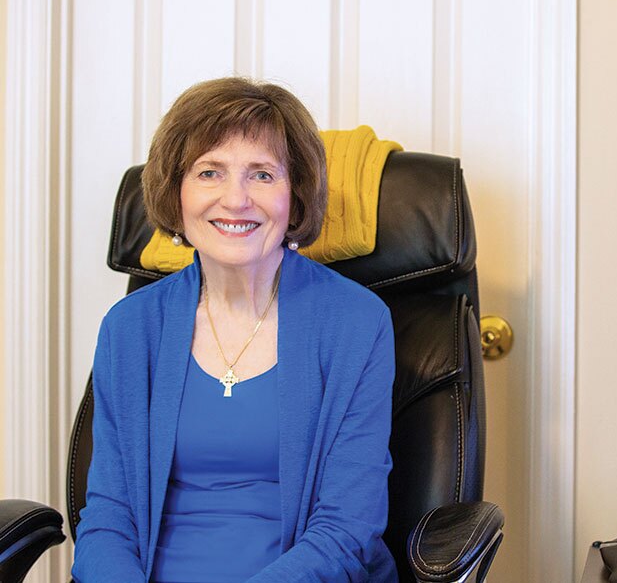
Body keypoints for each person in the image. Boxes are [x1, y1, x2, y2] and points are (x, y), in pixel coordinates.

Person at [71, 77, 397, 582]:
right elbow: (109, 518)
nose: (236, 199)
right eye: (210, 172)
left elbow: (347, 530)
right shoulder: (130, 328)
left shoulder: (356, 322)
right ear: (176, 193)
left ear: (296, 196)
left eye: (262, 175)